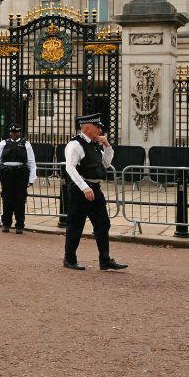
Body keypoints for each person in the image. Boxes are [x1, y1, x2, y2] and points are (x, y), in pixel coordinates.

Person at [62, 114, 128, 271]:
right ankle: (69, 259)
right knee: (75, 225)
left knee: (103, 223)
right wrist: (84, 187)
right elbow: (70, 168)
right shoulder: (75, 145)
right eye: (97, 126)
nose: (100, 129)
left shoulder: (94, 144)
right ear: (86, 128)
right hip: (80, 191)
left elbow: (105, 164)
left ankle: (105, 260)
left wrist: (107, 146)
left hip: (95, 189)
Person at [0, 123, 37, 233]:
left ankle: (19, 225)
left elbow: (31, 162)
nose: (14, 134)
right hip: (7, 173)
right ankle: (6, 223)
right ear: (10, 133)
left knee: (20, 199)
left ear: (19, 133)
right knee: (7, 199)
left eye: (16, 132)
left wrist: (32, 178)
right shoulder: (3, 143)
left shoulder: (26, 144)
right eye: (12, 132)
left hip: (21, 173)